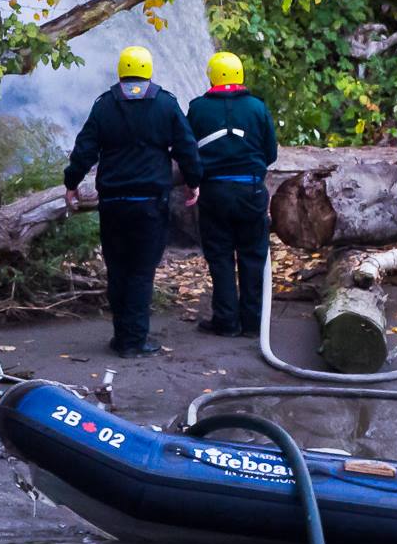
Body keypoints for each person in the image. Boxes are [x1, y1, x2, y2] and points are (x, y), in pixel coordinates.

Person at [63, 46, 203, 357]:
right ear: (149, 70)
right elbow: (187, 147)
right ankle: (134, 341)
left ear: (121, 71)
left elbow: (84, 149)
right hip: (150, 203)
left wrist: (71, 183)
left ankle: (121, 335)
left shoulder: (104, 105)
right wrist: (194, 181)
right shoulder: (165, 104)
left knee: (118, 269)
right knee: (141, 271)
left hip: (113, 203)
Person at [186, 51, 279, 338]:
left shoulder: (197, 108)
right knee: (253, 255)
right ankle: (253, 323)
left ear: (212, 77)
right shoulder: (257, 107)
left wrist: (194, 179)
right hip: (251, 190)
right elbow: (271, 153)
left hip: (214, 192)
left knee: (220, 256)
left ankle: (226, 321)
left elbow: (188, 150)